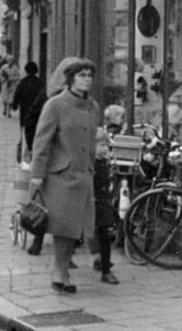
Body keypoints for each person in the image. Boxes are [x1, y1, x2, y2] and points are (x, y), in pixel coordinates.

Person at [30, 58, 100, 294]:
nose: (86, 80)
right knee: (63, 227)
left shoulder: (93, 108)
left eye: (90, 75)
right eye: (81, 75)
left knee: (74, 228)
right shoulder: (55, 105)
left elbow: (91, 143)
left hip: (83, 176)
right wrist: (37, 176)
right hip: (60, 176)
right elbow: (42, 142)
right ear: (70, 79)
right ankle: (61, 274)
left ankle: (61, 271)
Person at [92, 127, 119, 285]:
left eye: (106, 146)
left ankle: (105, 270)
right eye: (100, 146)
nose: (104, 149)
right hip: (91, 202)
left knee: (105, 235)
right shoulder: (91, 164)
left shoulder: (105, 163)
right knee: (79, 234)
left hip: (103, 204)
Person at [11, 62, 44, 169]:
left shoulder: (23, 83)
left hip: (25, 116)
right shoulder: (41, 83)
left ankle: (26, 163)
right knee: (38, 136)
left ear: (26, 70)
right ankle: (36, 159)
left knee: (26, 137)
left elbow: (16, 98)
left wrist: (14, 106)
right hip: (39, 115)